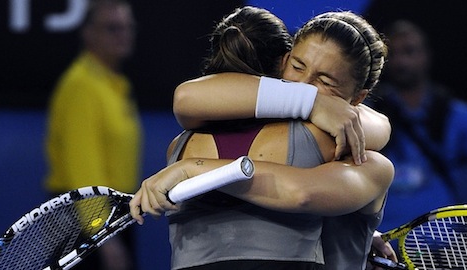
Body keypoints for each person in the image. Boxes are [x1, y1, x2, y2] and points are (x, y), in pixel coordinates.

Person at [131, 7, 396, 270]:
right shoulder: (314, 136)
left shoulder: (180, 145)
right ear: (283, 61)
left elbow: (302, 194)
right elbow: (188, 98)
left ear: (358, 99)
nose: (302, 84)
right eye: (297, 66)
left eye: (325, 81)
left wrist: (191, 168)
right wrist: (315, 102)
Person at [363, 19, 467, 246]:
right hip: (377, 246)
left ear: (426, 56)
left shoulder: (460, 116)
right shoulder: (365, 116)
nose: (401, 61)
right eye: (393, 54)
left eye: (410, 51)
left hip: (440, 249)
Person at [43, 0, 140, 269]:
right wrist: (103, 236)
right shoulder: (82, 86)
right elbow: (83, 170)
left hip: (114, 215)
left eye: (128, 27)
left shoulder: (114, 84)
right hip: (85, 223)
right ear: (89, 33)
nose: (124, 34)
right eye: (113, 28)